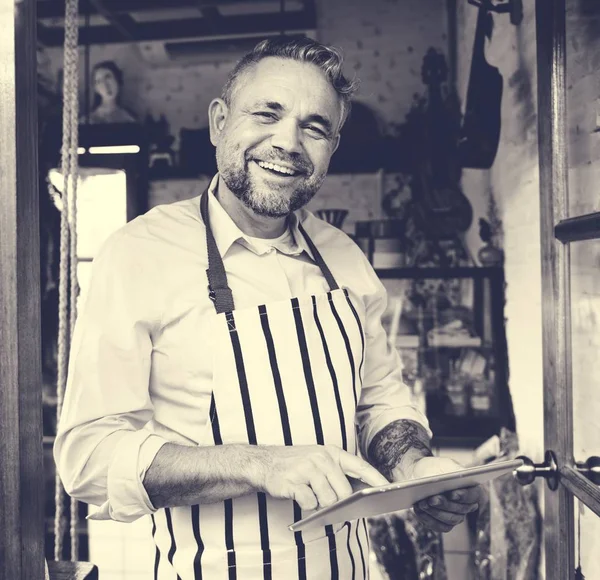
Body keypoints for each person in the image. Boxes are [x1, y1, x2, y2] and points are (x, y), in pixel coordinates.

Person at [55, 37, 481, 579]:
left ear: (331, 148)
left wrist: (415, 467)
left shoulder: (345, 257)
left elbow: (380, 400)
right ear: (218, 124)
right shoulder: (138, 254)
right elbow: (88, 456)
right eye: (267, 113)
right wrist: (257, 464)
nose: (289, 141)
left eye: (315, 127)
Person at [85, 60, 137, 124]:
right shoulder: (87, 121)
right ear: (96, 89)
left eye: (108, 77)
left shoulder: (128, 119)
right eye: (99, 81)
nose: (105, 85)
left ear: (117, 79)